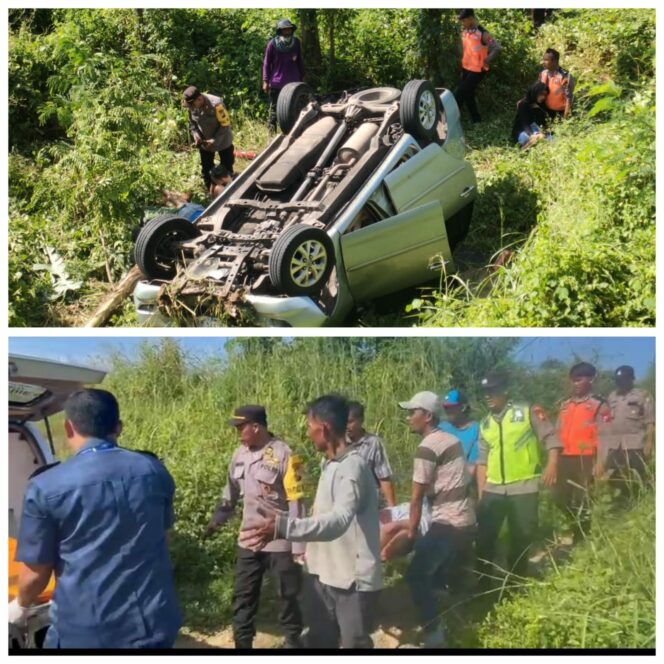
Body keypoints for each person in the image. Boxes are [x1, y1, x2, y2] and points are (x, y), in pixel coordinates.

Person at [9, 389, 181, 648]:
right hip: (155, 623)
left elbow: (36, 574)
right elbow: (163, 537)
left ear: (69, 428)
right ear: (118, 427)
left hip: (86, 633)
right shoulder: (155, 471)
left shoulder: (46, 486)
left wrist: (19, 606)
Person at [240, 394, 382, 649]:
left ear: (324, 428)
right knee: (319, 641)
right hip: (325, 575)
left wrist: (284, 527)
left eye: (309, 426)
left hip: (351, 581)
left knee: (354, 645)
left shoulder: (352, 468)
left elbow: (339, 521)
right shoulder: (330, 464)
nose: (308, 433)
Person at [205, 405, 305, 649]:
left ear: (256, 427)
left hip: (279, 540)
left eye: (241, 427)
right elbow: (229, 495)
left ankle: (294, 645)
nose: (238, 432)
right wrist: (217, 519)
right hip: (249, 539)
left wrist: (298, 545)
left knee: (288, 597)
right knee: (243, 598)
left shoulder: (286, 455)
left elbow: (297, 502)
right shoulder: (239, 454)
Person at [399, 391, 476, 648]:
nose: (409, 418)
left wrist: (411, 533)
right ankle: (447, 612)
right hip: (464, 518)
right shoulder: (450, 439)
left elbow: (416, 498)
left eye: (413, 412)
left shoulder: (427, 447)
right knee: (435, 570)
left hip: (448, 523)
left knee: (416, 575)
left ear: (428, 416)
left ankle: (435, 637)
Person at [475, 372, 562, 582]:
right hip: (493, 489)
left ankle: (515, 581)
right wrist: (481, 493)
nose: (488, 396)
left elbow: (551, 438)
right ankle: (483, 582)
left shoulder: (527, 411)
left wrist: (552, 465)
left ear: (505, 391)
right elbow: (482, 461)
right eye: (485, 392)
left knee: (521, 536)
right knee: (484, 538)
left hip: (524, 486)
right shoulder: (485, 423)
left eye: (492, 391)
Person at [554, 362, 611, 541]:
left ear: (590, 380)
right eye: (573, 380)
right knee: (560, 498)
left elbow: (605, 436)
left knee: (582, 500)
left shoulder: (599, 405)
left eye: (579, 380)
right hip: (564, 457)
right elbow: (557, 432)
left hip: (585, 459)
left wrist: (600, 462)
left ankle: (582, 538)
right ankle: (573, 526)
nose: (575, 384)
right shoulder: (565, 405)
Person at [595, 366, 655, 495]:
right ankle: (621, 503)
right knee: (614, 477)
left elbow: (650, 421)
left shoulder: (642, 395)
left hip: (635, 443)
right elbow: (606, 418)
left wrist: (649, 442)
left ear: (632, 379)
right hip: (615, 445)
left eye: (623, 380)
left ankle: (637, 501)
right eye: (618, 380)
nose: (620, 383)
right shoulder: (611, 397)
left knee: (637, 476)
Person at [183, 85, 235, 192]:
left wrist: (214, 140)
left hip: (223, 140)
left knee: (227, 167)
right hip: (205, 143)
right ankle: (211, 194)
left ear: (200, 99)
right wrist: (196, 135)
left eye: (193, 105)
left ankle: (229, 191)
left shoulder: (216, 104)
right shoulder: (191, 105)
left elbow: (225, 125)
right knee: (206, 170)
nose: (192, 108)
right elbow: (192, 123)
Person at [454, 9, 502, 124]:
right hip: (466, 68)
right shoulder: (464, 31)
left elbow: (497, 47)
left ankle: (451, 120)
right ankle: (476, 120)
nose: (463, 23)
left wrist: (487, 60)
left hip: (478, 70)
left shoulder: (483, 33)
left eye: (464, 20)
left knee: (460, 93)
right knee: (468, 94)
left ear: (471, 18)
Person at [346, 400, 397, 507]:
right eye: (343, 421)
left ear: (361, 420)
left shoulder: (373, 443)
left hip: (370, 503)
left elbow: (384, 477)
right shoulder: (339, 443)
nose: (346, 426)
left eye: (350, 422)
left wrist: (393, 508)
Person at [262, 18, 305, 133]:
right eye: (285, 30)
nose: (287, 32)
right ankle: (271, 134)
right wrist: (265, 81)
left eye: (289, 30)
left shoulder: (296, 42)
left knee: (295, 109)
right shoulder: (272, 44)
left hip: (294, 83)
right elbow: (266, 63)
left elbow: (300, 60)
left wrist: (303, 76)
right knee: (274, 110)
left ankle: (293, 133)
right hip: (277, 82)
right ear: (280, 31)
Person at [440, 389, 480, 480]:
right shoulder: (441, 428)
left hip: (461, 485)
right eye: (445, 408)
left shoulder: (476, 430)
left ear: (462, 408)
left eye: (450, 408)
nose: (447, 411)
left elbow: (472, 467)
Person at [511, 82, 551, 149]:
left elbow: (544, 121)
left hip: (536, 129)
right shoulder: (523, 104)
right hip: (522, 130)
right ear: (535, 92)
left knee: (552, 139)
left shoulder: (541, 104)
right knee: (525, 138)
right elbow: (524, 123)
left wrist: (539, 109)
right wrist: (533, 135)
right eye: (541, 94)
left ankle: (532, 144)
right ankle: (528, 146)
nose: (543, 97)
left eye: (545, 95)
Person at [539, 48, 575, 119]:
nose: (543, 62)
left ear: (555, 61)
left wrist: (566, 119)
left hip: (560, 113)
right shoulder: (543, 73)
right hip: (545, 110)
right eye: (543, 60)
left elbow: (569, 99)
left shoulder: (564, 76)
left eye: (546, 60)